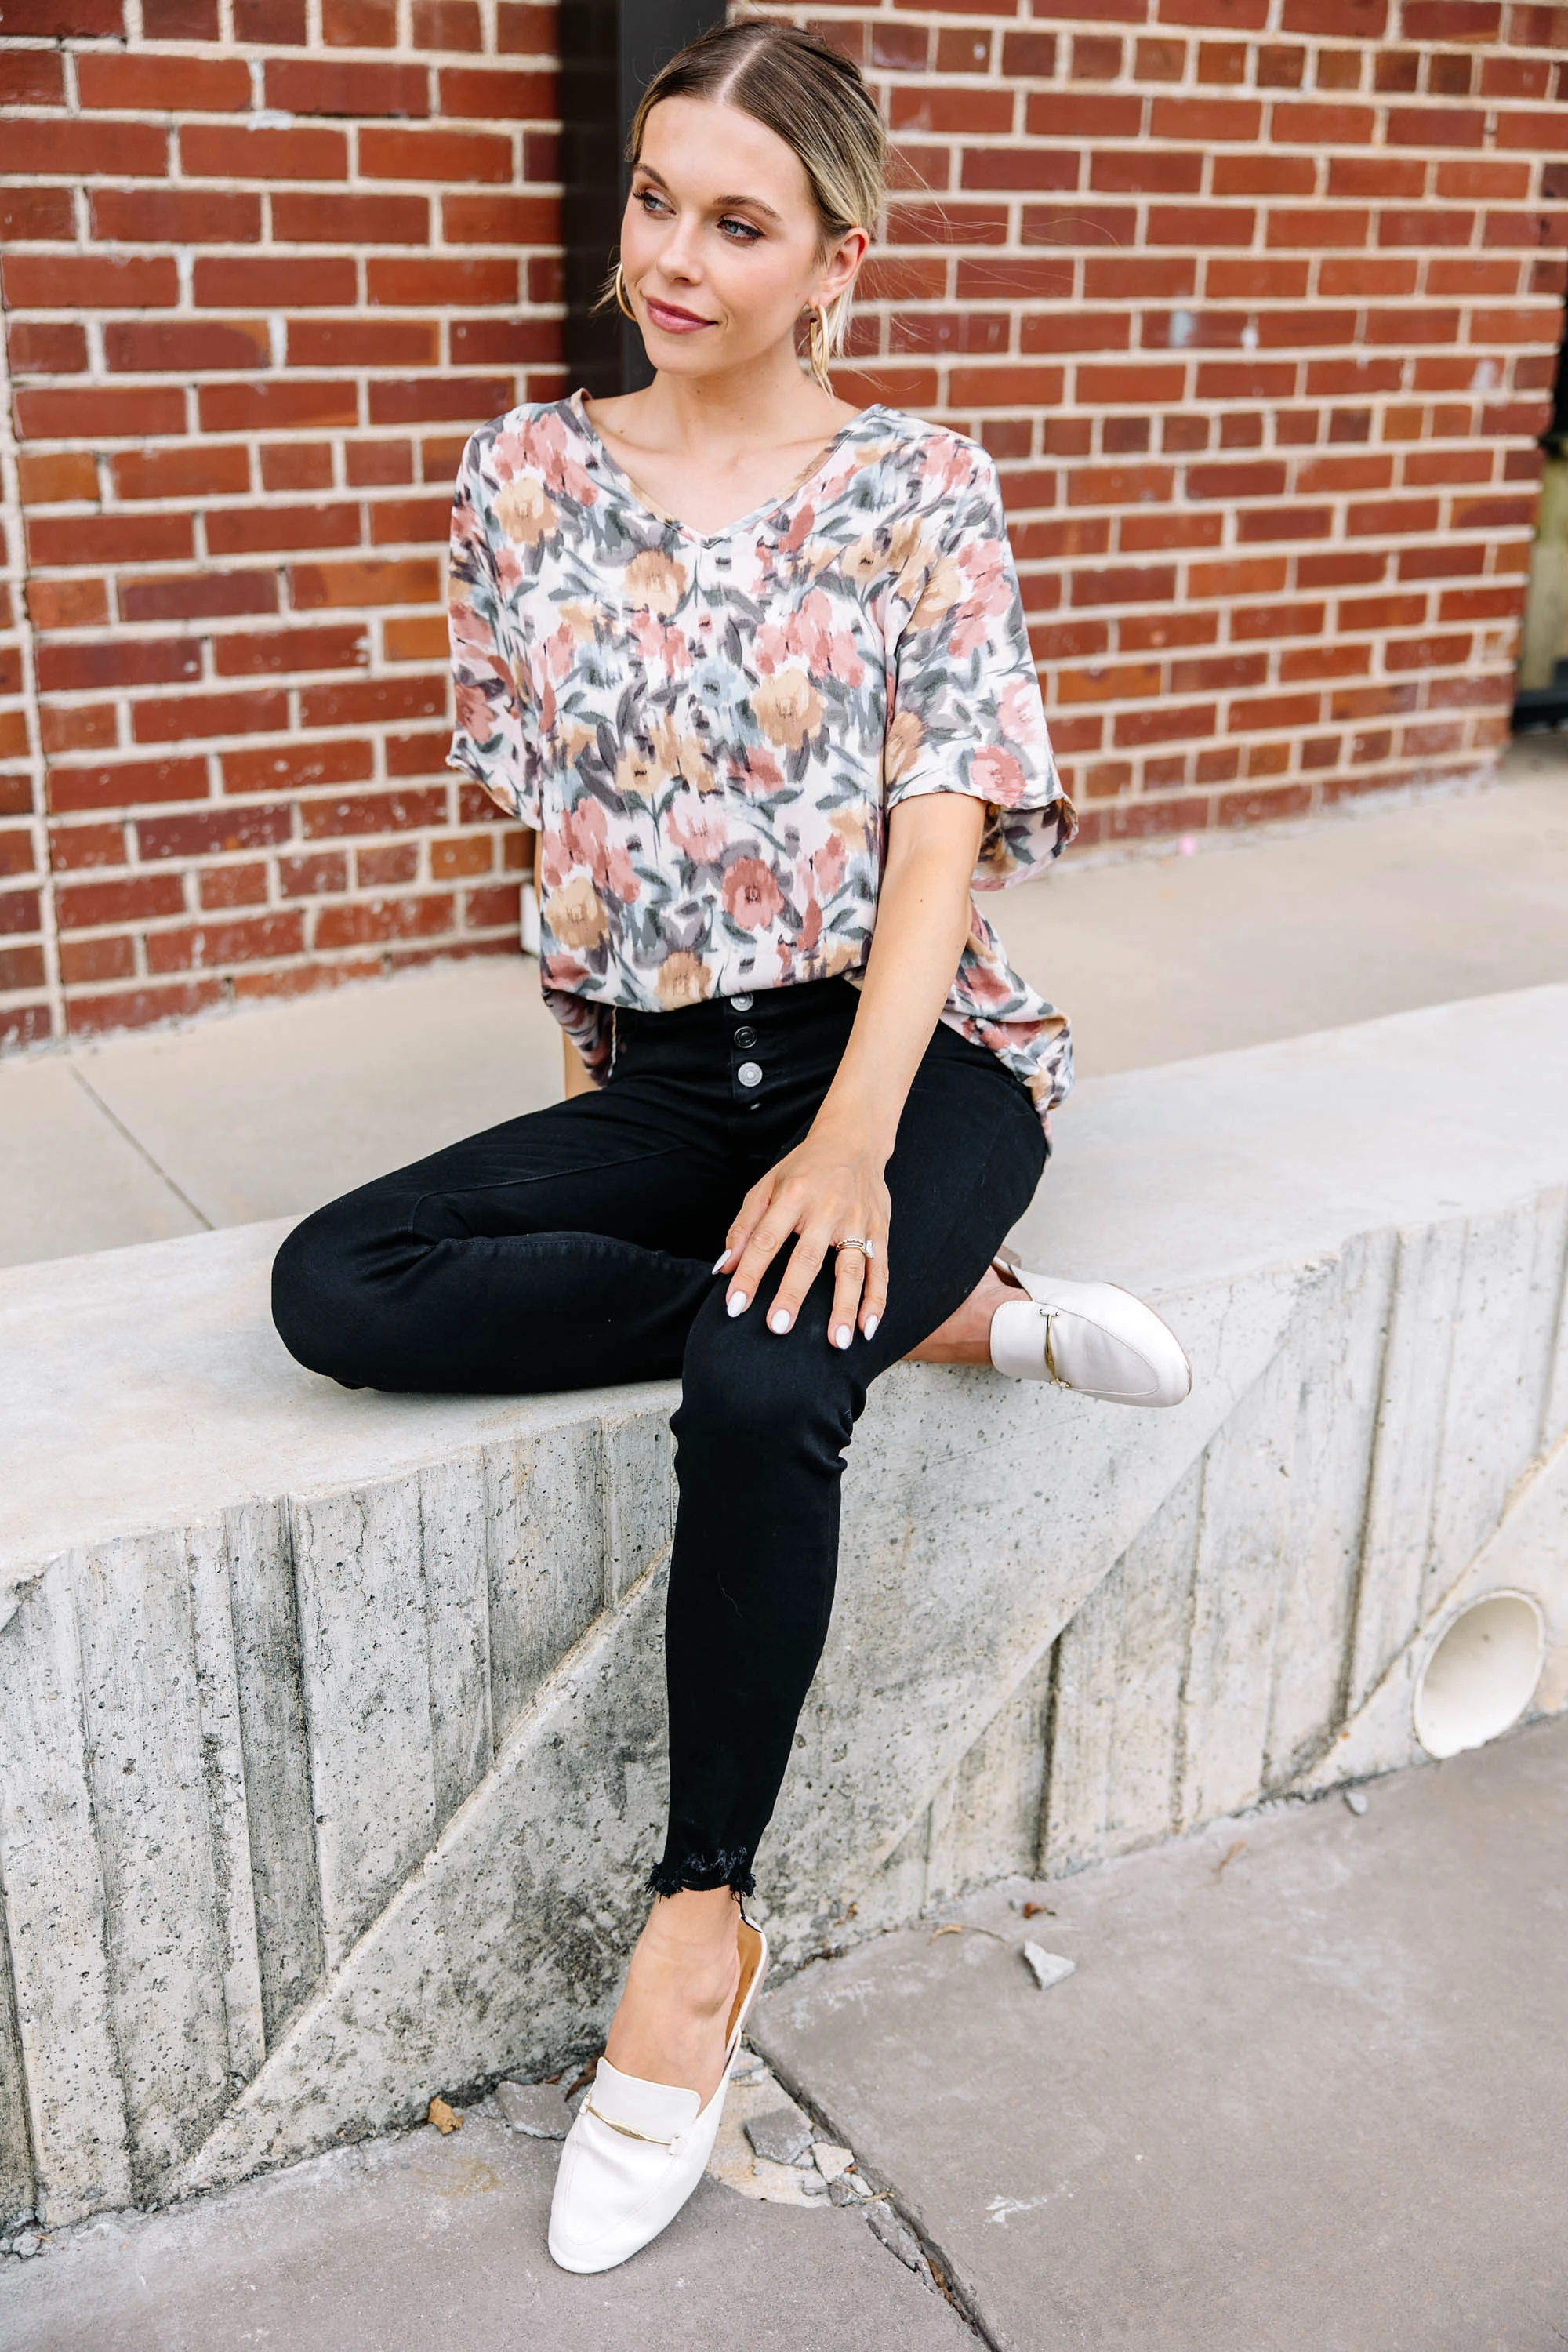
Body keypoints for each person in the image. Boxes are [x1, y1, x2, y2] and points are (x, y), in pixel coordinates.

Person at [271, 17, 1189, 2275]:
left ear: (834, 260)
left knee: (766, 1382)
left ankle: (696, 1935)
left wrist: (862, 1149)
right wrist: (612, 1106)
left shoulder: (920, 487)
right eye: (657, 198)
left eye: (738, 222)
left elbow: (944, 828)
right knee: (337, 1283)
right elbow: (556, 830)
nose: (675, 255)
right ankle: (951, 1330)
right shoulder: (521, 477)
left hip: (919, 1050)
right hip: (676, 1071)